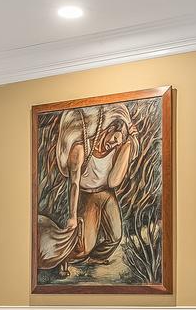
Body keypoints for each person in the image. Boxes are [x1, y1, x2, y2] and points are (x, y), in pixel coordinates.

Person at [36, 105, 145, 277]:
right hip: (87, 197)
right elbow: (74, 184)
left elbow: (114, 180)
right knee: (83, 248)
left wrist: (131, 140)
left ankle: (94, 258)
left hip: (107, 193)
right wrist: (72, 216)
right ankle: (65, 259)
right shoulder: (80, 149)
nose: (113, 145)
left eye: (118, 142)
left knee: (115, 236)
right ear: (109, 129)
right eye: (114, 139)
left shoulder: (117, 147)